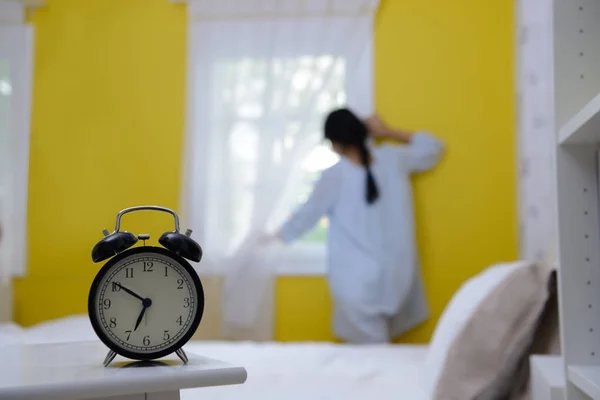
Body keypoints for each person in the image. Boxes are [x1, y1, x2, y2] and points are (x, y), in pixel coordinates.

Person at [265, 108, 445, 343]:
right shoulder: (392, 159)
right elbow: (433, 147)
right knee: (375, 352)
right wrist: (388, 131)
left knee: (372, 358)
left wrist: (272, 238)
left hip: (356, 282)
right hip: (396, 278)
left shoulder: (336, 175)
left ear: (336, 144)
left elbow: (305, 217)